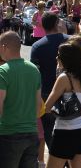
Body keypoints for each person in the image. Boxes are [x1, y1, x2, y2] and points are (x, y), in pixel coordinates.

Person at [44, 42, 81, 168]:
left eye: (58, 55)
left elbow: (47, 107)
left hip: (65, 131)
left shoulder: (64, 78)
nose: (56, 58)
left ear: (67, 58)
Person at [0, 31, 41, 168]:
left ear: (4, 47)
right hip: (31, 132)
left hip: (8, 134)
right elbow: (38, 105)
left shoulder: (2, 71)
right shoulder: (34, 69)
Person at [31, 12, 70, 148]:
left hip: (46, 94)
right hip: (70, 92)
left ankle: (56, 158)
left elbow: (34, 74)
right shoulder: (70, 40)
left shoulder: (37, 46)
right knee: (70, 129)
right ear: (56, 24)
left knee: (49, 131)